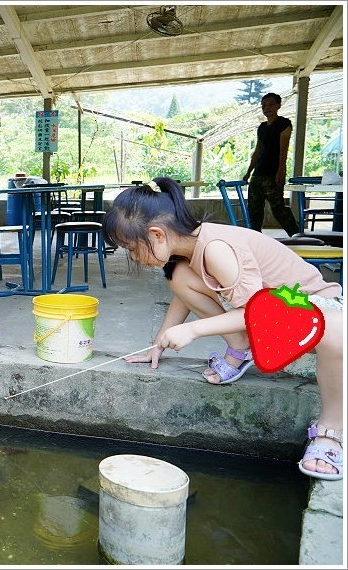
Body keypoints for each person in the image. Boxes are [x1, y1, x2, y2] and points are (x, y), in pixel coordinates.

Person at [103, 177, 343, 480]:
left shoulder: (217, 248)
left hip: (315, 308)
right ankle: (241, 349)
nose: (134, 257)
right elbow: (183, 292)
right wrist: (158, 344)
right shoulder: (189, 248)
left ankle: (331, 430)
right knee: (178, 276)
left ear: (157, 235)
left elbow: (259, 312)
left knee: (336, 333)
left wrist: (194, 330)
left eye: (132, 248)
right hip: (277, 315)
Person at [242, 92, 300, 237]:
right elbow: (258, 151)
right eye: (264, 105)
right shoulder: (262, 127)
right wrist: (249, 172)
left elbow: (283, 149)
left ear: (278, 105)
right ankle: (255, 237)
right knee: (254, 209)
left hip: (272, 173)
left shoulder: (284, 123)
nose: (266, 108)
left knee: (278, 209)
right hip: (258, 174)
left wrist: (281, 170)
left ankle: (297, 236)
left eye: (270, 105)